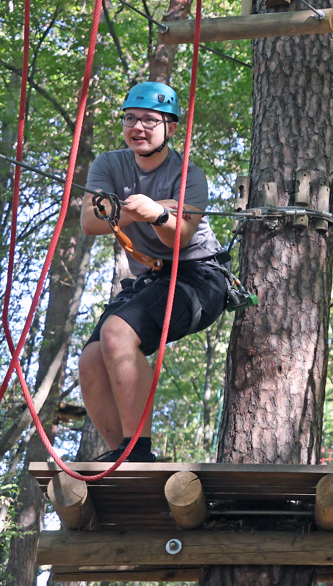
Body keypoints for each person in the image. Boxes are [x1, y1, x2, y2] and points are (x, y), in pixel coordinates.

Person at [79, 81, 229, 462]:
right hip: (151, 279)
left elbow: (181, 235)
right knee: (92, 358)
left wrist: (157, 212)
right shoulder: (109, 165)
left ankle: (139, 453)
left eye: (149, 120)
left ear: (171, 128)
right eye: (131, 119)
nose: (138, 128)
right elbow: (89, 222)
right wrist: (144, 207)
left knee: (117, 332)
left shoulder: (189, 175)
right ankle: (122, 451)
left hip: (198, 277)